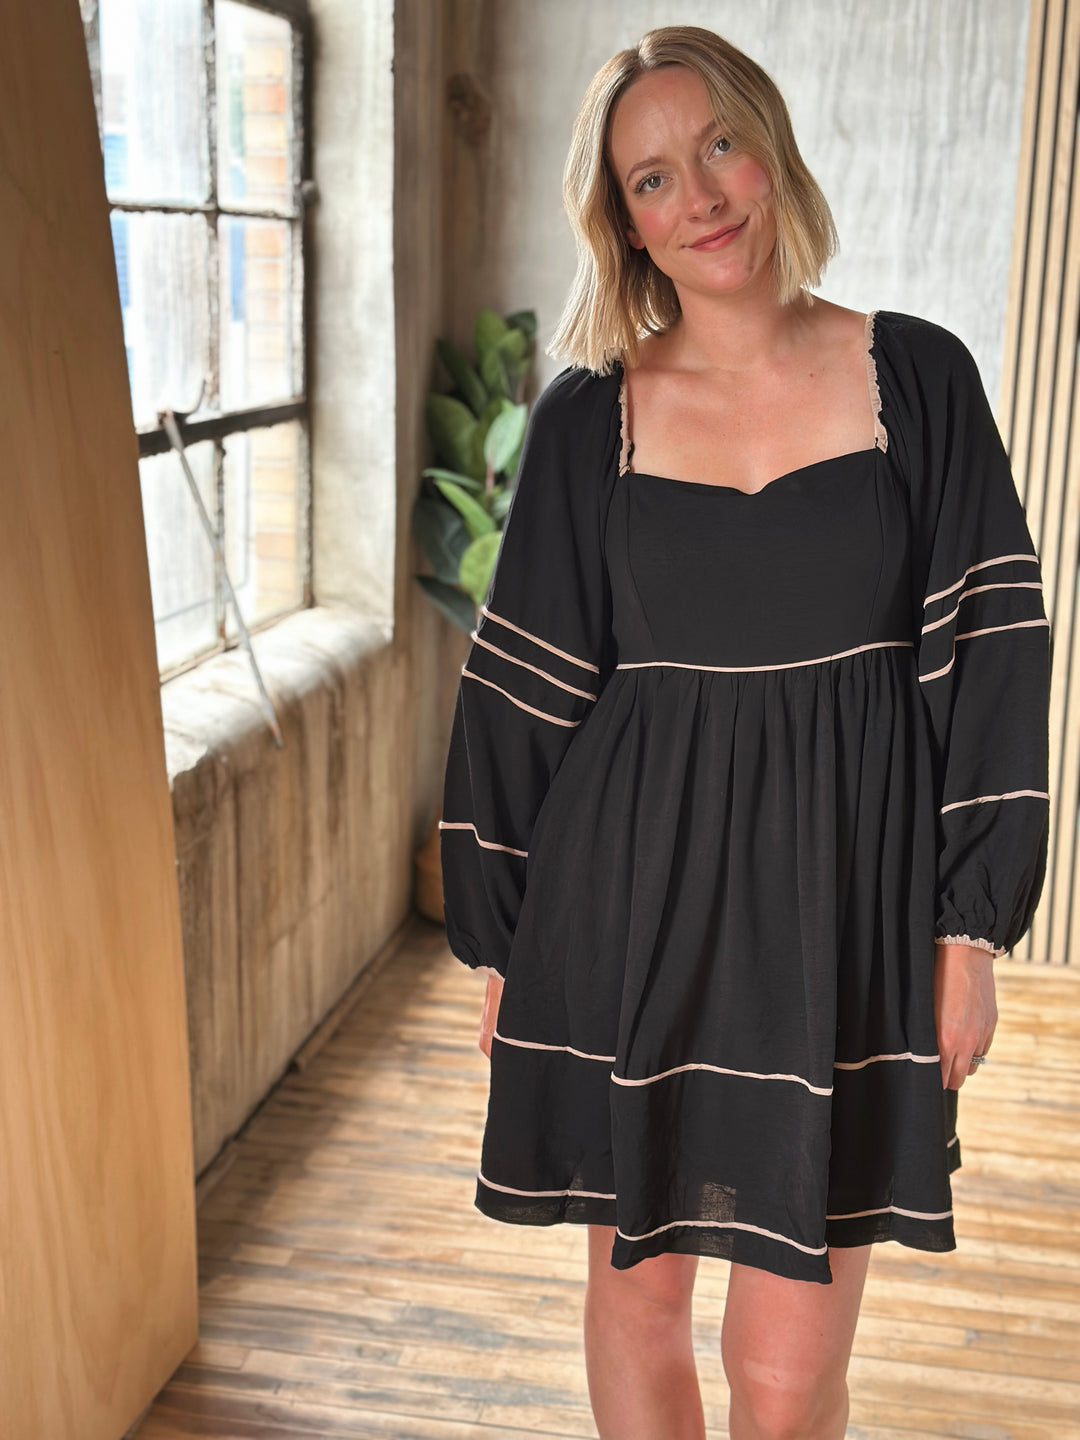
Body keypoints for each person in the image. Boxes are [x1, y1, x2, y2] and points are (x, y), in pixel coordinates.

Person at [439, 24, 1051, 1440]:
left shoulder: (919, 380)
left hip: (846, 914)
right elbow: (525, 687)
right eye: (652, 178)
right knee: (639, 1305)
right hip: (629, 901)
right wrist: (507, 942)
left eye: (719, 144)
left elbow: (994, 657)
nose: (700, 197)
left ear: (770, 145)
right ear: (624, 224)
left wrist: (969, 935)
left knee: (784, 1368)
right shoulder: (590, 420)